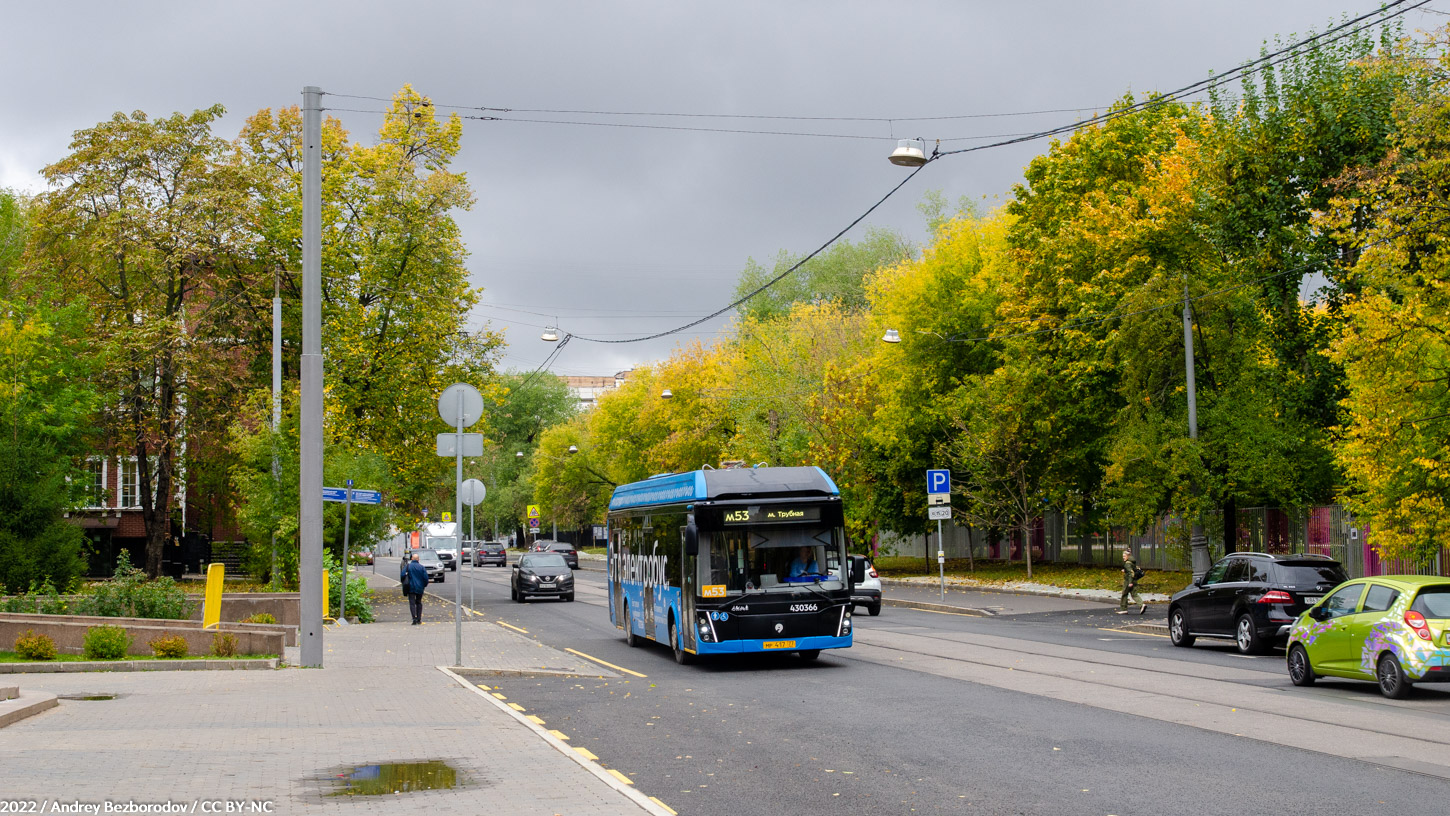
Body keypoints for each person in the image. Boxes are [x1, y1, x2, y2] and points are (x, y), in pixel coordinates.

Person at [404, 553, 429, 625]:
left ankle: (414, 618)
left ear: (412, 558)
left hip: (410, 587)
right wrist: (424, 585)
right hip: (420, 587)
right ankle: (419, 618)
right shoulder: (421, 567)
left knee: (412, 603)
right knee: (418, 602)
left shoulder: (407, 567)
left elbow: (402, 575)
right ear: (418, 559)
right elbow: (425, 578)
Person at [1119, 549, 1146, 615]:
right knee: (1134, 594)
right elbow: (1132, 570)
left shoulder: (1127, 564)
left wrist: (1130, 582)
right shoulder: (1132, 561)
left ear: (1128, 556)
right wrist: (1125, 571)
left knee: (1124, 594)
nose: (1123, 558)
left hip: (1128, 581)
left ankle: (1123, 609)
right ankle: (1142, 605)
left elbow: (1131, 573)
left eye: (1124, 556)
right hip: (1134, 580)